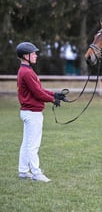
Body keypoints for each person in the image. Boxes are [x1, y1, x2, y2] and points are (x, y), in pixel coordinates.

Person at [16, 42, 66, 182]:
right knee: (33, 145)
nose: (36, 55)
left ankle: (23, 171)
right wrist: (52, 100)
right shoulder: (27, 72)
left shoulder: (25, 71)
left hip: (28, 112)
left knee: (26, 143)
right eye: (33, 53)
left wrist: (54, 94)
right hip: (32, 113)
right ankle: (36, 173)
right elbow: (38, 93)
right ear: (26, 56)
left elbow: (39, 90)